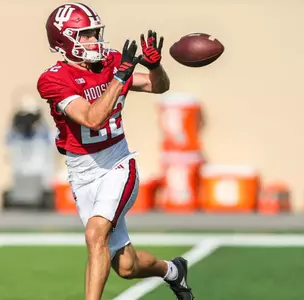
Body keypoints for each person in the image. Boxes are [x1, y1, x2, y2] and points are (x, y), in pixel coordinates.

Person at [37, 2, 194, 300]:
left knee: (96, 234)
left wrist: (154, 66)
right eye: (84, 35)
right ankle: (172, 270)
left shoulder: (110, 62)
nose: (94, 39)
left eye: (95, 32)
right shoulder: (54, 79)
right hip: (82, 172)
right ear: (63, 40)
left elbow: (158, 86)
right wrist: (119, 79)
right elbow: (92, 117)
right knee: (125, 265)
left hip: (117, 162)